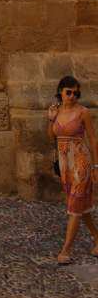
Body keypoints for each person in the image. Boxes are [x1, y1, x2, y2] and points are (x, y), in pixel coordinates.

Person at [48, 75, 98, 264]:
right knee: (79, 205)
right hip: (65, 163)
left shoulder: (83, 112)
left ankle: (65, 251)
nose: (72, 95)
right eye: (68, 92)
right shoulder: (56, 110)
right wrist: (50, 120)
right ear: (60, 92)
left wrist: (95, 165)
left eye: (76, 92)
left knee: (75, 204)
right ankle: (97, 237)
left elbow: (93, 139)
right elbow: (50, 137)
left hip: (81, 161)